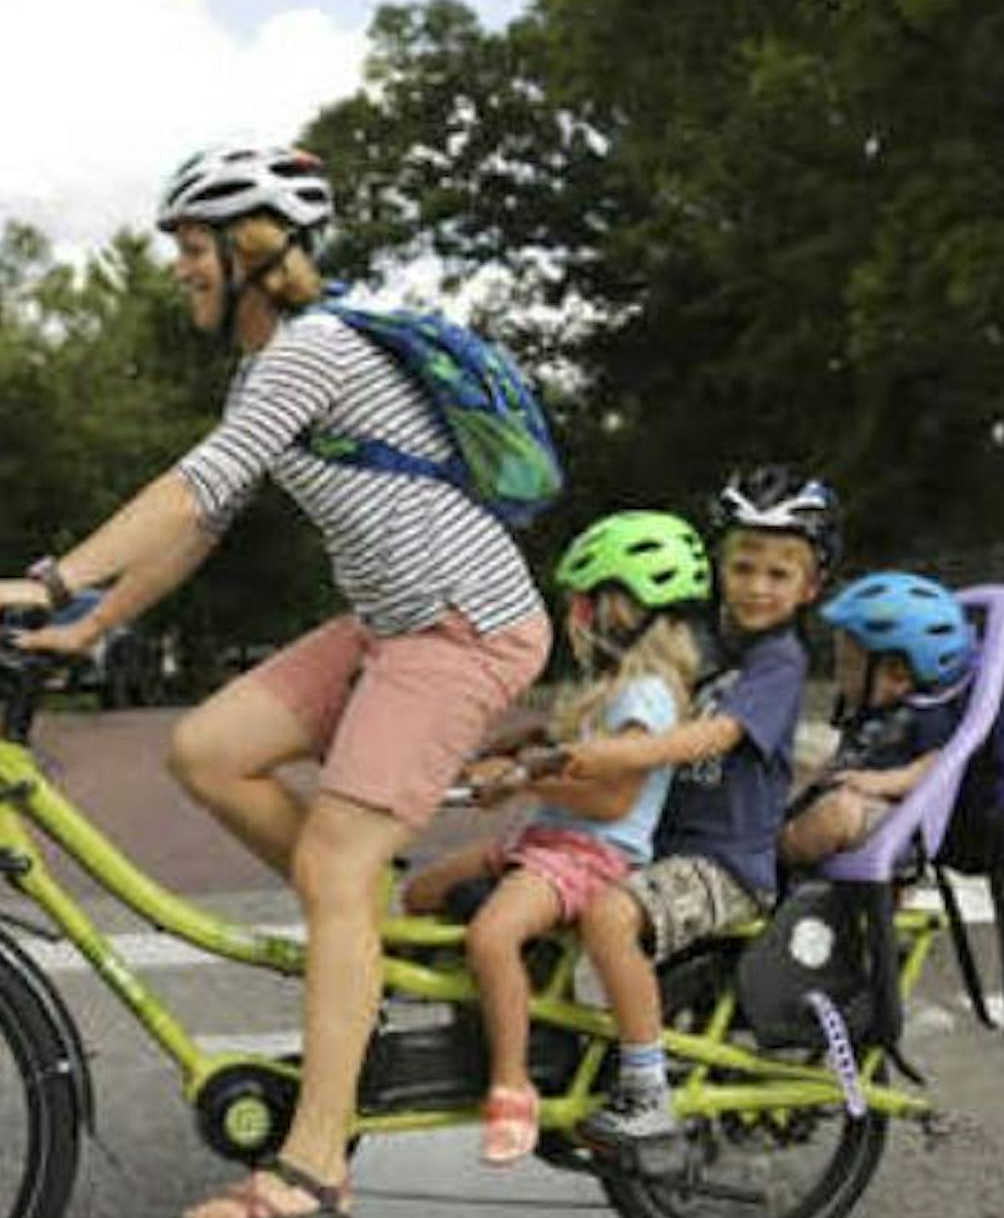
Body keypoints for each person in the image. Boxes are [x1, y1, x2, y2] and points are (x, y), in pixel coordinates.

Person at [0, 144, 551, 1218]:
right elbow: (205, 522)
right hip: (384, 624)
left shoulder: (313, 347)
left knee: (330, 857)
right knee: (211, 748)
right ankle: (362, 926)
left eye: (190, 247)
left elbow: (195, 486)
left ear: (253, 250)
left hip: (463, 625)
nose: (179, 269)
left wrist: (48, 578)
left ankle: (318, 1164)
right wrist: (88, 624)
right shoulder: (270, 370)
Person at [402, 511, 710, 1166]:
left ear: (629, 608)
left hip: (594, 855)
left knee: (491, 934)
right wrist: (497, 752)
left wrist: (516, 781)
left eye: (587, 599)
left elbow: (611, 796)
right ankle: (504, 1005)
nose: (576, 613)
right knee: (421, 892)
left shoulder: (648, 696)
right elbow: (556, 747)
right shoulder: (605, 689)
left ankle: (512, 1084)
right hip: (548, 840)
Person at [557, 465, 839, 1163]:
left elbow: (717, 735)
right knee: (538, 885)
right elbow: (627, 696)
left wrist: (629, 756)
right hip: (659, 845)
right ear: (719, 566)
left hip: (727, 863)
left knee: (609, 916)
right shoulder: (700, 645)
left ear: (810, 588)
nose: (757, 586)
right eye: (744, 566)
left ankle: (648, 1094)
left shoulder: (778, 660)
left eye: (779, 573)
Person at [779, 571, 974, 870]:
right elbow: (847, 757)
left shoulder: (926, 714)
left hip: (897, 818)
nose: (838, 674)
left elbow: (938, 765)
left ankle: (771, 862)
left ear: (898, 675)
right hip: (863, 805)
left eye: (848, 664)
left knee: (837, 812)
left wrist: (882, 783)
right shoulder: (873, 712)